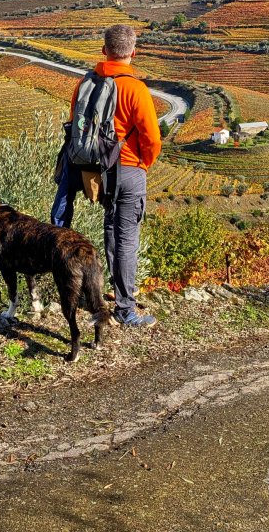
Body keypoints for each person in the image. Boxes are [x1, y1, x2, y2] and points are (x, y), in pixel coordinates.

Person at [54, 24, 161, 326]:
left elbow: (77, 126)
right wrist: (142, 164)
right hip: (128, 170)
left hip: (94, 173)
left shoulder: (85, 84)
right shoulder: (136, 88)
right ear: (133, 52)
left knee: (110, 227)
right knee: (125, 236)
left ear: (104, 50)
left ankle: (103, 296)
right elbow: (152, 138)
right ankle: (125, 309)